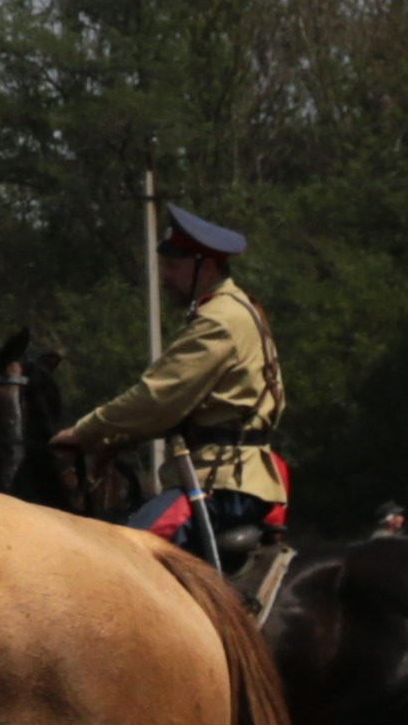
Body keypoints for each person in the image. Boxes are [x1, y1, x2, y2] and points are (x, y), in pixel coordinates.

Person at [63, 204, 288, 570]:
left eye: (173, 266)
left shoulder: (220, 320)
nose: (164, 276)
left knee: (120, 560)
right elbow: (182, 411)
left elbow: (156, 398)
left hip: (217, 482)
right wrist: (113, 441)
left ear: (208, 265)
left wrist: (82, 432)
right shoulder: (235, 309)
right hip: (227, 476)